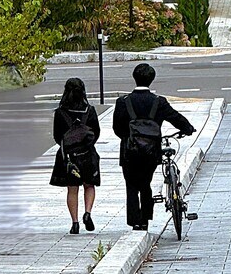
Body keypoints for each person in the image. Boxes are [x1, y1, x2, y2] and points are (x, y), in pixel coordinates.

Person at [112, 63, 195, 231]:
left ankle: (135, 221)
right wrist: (188, 129)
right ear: (152, 79)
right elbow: (176, 118)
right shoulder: (158, 102)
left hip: (129, 151)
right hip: (151, 151)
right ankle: (145, 219)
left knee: (131, 185)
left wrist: (128, 138)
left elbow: (117, 127)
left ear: (134, 78)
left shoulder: (123, 102)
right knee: (145, 183)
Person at [50, 77, 101, 234]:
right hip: (88, 154)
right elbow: (96, 132)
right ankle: (88, 212)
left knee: (72, 189)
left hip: (69, 157)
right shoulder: (89, 110)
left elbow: (57, 136)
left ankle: (75, 222)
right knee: (89, 185)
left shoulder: (60, 112)